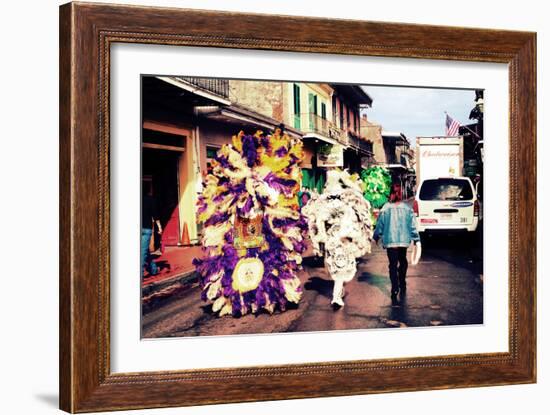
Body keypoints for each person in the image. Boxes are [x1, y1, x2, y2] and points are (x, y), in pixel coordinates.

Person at [373, 183, 420, 301]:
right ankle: (402, 281)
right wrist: (416, 239)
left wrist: (376, 236)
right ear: (401, 194)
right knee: (403, 261)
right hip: (403, 241)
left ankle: (394, 287)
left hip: (391, 241)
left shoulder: (385, 208)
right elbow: (412, 225)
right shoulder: (407, 208)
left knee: (392, 265)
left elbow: (380, 225)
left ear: (391, 193)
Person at [141, 183, 162, 277]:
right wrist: (160, 227)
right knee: (144, 251)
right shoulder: (151, 200)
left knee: (143, 251)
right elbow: (155, 215)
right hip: (147, 229)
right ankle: (151, 270)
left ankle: (146, 272)